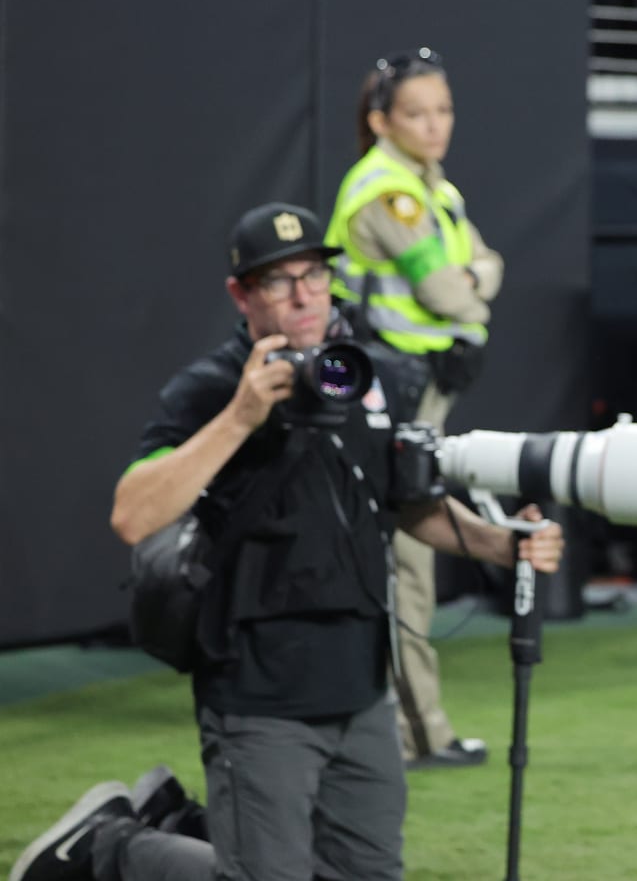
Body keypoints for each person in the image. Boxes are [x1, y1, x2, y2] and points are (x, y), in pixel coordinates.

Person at [8, 203, 560, 881]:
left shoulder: (362, 374)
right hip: (258, 693)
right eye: (278, 281)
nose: (303, 295)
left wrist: (501, 544)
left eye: (314, 276)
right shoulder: (209, 388)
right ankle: (114, 850)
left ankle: (173, 826)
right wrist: (241, 416)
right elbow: (133, 513)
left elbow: (407, 503)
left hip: (361, 688)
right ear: (242, 294)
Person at [325, 47, 505, 769]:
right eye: (417, 113)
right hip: (390, 395)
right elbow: (447, 291)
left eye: (444, 110)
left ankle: (411, 729)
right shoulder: (386, 191)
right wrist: (474, 279)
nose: (436, 126)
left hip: (422, 390)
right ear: (380, 120)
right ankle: (413, 732)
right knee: (407, 555)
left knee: (407, 555)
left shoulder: (433, 187)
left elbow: (489, 262)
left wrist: (476, 275)